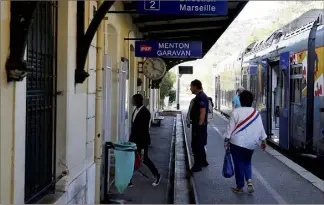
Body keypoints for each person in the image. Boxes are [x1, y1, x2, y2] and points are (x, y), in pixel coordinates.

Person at [224, 90, 267, 194]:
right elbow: (260, 128)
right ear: (251, 101)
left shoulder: (236, 112)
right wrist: (263, 141)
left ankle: (239, 187)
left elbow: (230, 129)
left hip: (237, 143)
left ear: (240, 100)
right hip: (251, 144)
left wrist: (226, 140)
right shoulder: (255, 112)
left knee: (238, 164)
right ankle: (249, 181)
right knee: (247, 162)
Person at [128, 94, 161, 187]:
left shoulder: (145, 112)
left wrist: (141, 146)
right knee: (132, 159)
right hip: (133, 140)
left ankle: (157, 175)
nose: (132, 101)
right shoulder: (135, 110)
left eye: (133, 100)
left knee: (145, 160)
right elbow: (134, 127)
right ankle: (129, 180)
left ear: (139, 101)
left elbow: (143, 130)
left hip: (142, 141)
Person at [189, 79, 209, 172]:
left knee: (196, 145)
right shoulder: (201, 96)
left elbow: (202, 111)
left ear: (196, 87)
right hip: (200, 125)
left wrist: (199, 125)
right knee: (200, 144)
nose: (190, 89)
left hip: (199, 126)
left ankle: (197, 166)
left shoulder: (200, 97)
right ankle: (203, 161)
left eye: (191, 86)